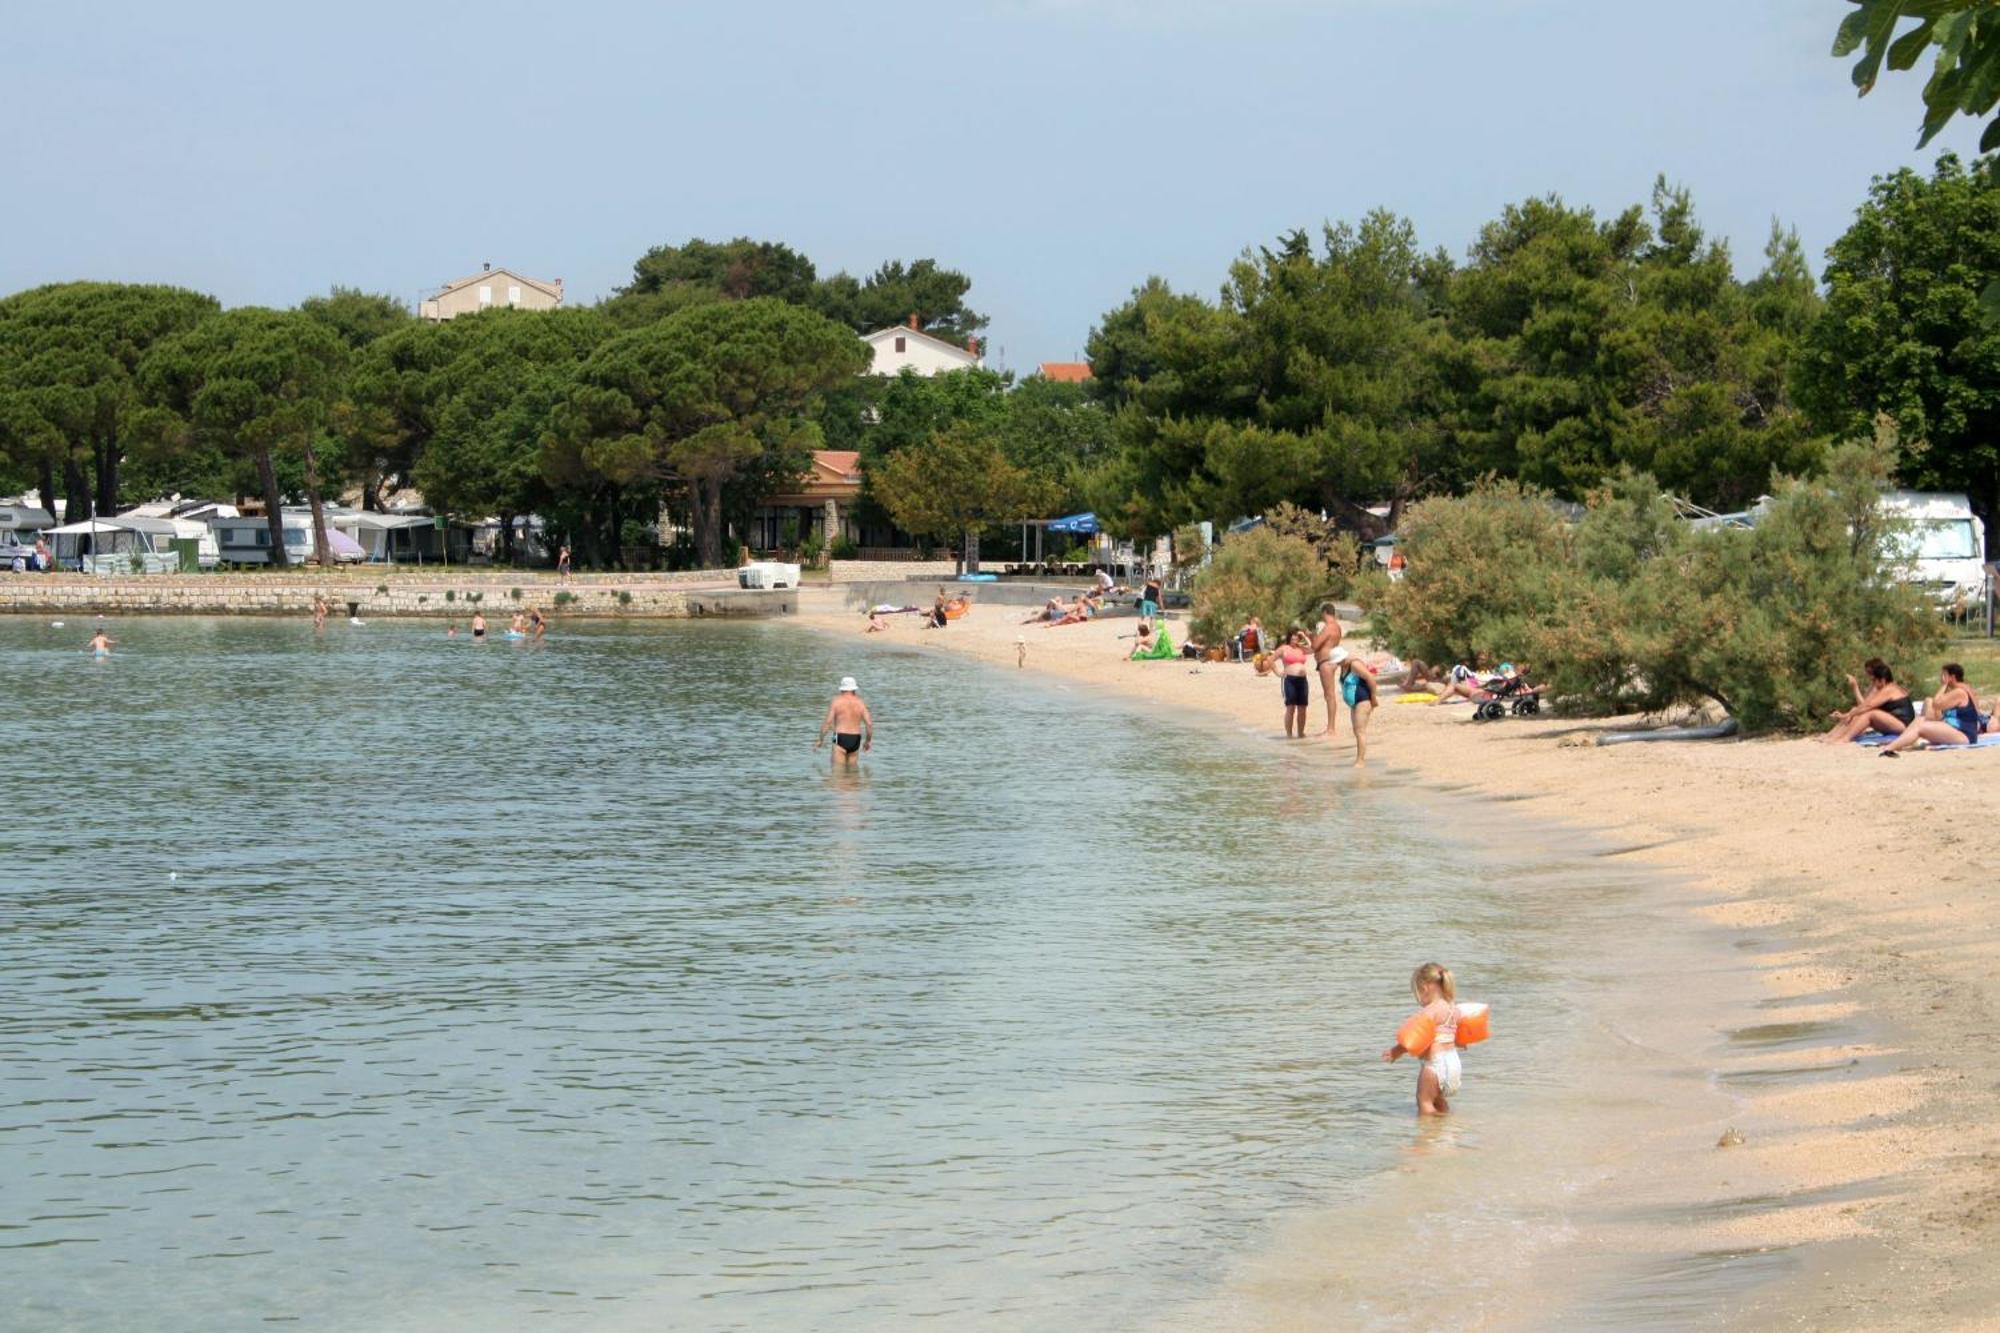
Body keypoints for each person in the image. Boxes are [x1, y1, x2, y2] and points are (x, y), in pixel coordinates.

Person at [1383, 962, 1461, 1116]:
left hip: (1435, 1065)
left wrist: (1396, 1051)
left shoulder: (1431, 1011)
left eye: (1417, 992)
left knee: (1424, 1101)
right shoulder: (1454, 1009)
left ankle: (1426, 1136)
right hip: (1454, 1064)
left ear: (1424, 988)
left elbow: (1415, 1038)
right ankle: (1448, 1129)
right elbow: (1455, 1036)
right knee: (1439, 1101)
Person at [1880, 662, 1985, 757]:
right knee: (1920, 720)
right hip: (1956, 729)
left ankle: (1889, 749)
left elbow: (1936, 704)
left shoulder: (1959, 692)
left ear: (1951, 677)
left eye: (1944, 675)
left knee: (1921, 727)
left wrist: (1944, 685)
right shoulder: (1957, 690)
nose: (1941, 678)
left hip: (1965, 735)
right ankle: (1898, 742)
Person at [1820, 658, 1915, 744]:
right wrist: (1849, 713)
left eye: (1874, 680)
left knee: (1870, 713)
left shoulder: (1889, 689)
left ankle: (1845, 739)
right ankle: (1835, 736)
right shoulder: (1887, 688)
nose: (1873, 683)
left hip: (1903, 726)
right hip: (1896, 722)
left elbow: (1868, 706)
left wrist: (1846, 714)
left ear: (1882, 680)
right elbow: (1864, 706)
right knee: (1858, 711)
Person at [1333, 646, 1380, 767]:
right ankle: (1359, 758)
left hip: (1363, 700)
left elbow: (1371, 679)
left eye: (1339, 661)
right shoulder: (1343, 666)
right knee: (1356, 731)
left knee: (1360, 731)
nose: (1338, 663)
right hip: (1354, 703)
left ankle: (1360, 761)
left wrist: (1373, 698)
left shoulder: (1355, 665)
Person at [815, 676, 874, 766]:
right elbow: (869, 724)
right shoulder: (860, 703)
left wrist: (820, 740)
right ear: (854, 689)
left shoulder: (836, 702)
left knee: (838, 773)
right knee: (853, 773)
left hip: (840, 737)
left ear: (841, 689)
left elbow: (828, 722)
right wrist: (867, 741)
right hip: (856, 738)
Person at [1311, 603, 1345, 738]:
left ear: (1325, 612)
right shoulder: (1337, 627)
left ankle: (1331, 728)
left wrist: (1311, 635)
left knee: (1329, 695)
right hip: (1331, 661)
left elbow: (1315, 645)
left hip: (1326, 662)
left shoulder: (1328, 627)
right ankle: (1331, 727)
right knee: (1329, 695)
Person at [1278, 629, 1312, 738]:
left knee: (1302, 708)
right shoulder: (1284, 648)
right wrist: (1278, 673)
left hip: (1302, 680)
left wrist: (1304, 636)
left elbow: (1312, 648)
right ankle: (1289, 734)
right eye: (1292, 638)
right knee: (1290, 707)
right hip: (1290, 680)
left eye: (1296, 638)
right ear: (1289, 639)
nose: (1294, 640)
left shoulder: (1301, 649)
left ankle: (1301, 733)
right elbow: (1270, 660)